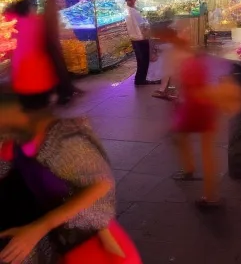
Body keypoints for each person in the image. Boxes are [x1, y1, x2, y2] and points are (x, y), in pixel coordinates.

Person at [0, 94, 141, 263]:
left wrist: (39, 228)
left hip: (89, 239)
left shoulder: (62, 139)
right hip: (60, 238)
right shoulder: (18, 142)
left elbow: (101, 184)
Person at [157, 26, 241, 208]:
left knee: (183, 138)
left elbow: (187, 86)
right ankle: (207, 190)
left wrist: (178, 96)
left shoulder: (179, 57)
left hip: (194, 106)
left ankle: (202, 186)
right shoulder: (191, 56)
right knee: (204, 149)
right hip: (204, 107)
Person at [8, 0, 59, 111]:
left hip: (24, 65)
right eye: (33, 6)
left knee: (30, 96)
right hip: (34, 64)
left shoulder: (17, 23)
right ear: (27, 9)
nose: (35, 8)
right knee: (39, 95)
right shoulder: (36, 22)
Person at [124, 0, 159, 87]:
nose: (135, 0)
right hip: (141, 38)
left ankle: (139, 79)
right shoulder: (133, 11)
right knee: (144, 59)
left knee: (140, 60)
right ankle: (141, 79)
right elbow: (143, 25)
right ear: (130, 0)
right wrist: (148, 23)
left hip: (134, 38)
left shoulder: (127, 10)